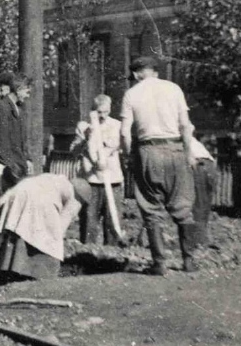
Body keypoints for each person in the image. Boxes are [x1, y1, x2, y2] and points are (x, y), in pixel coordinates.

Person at [120, 55, 196, 275]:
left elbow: (125, 133)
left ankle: (160, 263)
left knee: (151, 208)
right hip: (175, 149)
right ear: (154, 71)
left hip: (148, 150)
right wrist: (188, 153)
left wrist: (129, 156)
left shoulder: (131, 94)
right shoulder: (174, 89)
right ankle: (189, 261)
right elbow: (185, 125)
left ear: (136, 74)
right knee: (183, 207)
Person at [0, 172, 92, 279]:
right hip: (37, 199)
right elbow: (61, 225)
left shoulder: (56, 179)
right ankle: (41, 276)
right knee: (49, 243)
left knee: (20, 230)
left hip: (19, 190)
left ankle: (12, 269)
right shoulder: (75, 197)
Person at [74, 94, 124, 245]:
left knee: (112, 218)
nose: (102, 116)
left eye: (106, 112)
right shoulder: (83, 127)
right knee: (89, 219)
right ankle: (88, 252)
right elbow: (74, 151)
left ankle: (112, 253)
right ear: (93, 111)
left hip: (112, 179)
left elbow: (119, 147)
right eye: (99, 112)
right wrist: (85, 139)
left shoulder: (116, 125)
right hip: (92, 180)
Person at [0, 75, 31, 181]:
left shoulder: (18, 109)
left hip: (20, 168)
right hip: (9, 172)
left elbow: (22, 141)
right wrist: (12, 169)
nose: (27, 96)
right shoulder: (2, 109)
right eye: (27, 92)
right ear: (18, 89)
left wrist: (28, 160)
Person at [190, 135, 219, 249]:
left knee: (199, 205)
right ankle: (202, 238)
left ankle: (199, 241)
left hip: (199, 164)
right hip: (209, 164)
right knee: (204, 205)